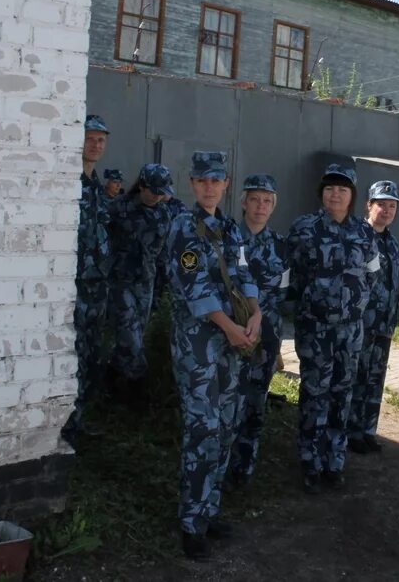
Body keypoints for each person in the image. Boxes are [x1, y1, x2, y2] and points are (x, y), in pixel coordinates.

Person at [166, 151, 261, 560]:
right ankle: (191, 523)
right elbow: (196, 291)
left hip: (232, 345)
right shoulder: (183, 228)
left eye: (216, 180)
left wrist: (255, 313)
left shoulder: (229, 228)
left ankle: (210, 509)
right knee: (202, 429)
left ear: (226, 185)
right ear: (193, 184)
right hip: (199, 347)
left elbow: (244, 274)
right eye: (202, 181)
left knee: (224, 427)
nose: (209, 187)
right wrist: (232, 328)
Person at [287, 164, 379, 493]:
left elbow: (372, 272)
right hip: (315, 330)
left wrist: (355, 305)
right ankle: (310, 462)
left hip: (350, 331)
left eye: (342, 189)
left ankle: (334, 462)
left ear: (352, 195)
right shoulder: (303, 228)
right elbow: (291, 276)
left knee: (342, 395)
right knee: (314, 394)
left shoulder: (364, 232)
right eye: (329, 188)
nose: (335, 194)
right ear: (321, 193)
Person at [228, 174, 290, 488]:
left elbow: (283, 292)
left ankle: (244, 469)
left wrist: (270, 335)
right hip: (230, 334)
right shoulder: (227, 237)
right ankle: (221, 468)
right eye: (254, 199)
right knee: (229, 400)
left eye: (267, 201)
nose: (260, 206)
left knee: (255, 402)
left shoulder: (281, 246)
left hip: (266, 335)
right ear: (243, 202)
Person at [62, 115, 112, 445]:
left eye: (100, 140)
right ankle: (67, 425)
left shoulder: (96, 186)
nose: (95, 145)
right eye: (90, 138)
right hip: (73, 283)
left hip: (97, 284)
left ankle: (79, 420)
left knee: (91, 354)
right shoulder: (68, 181)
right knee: (72, 354)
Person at [108, 163, 174, 404]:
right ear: (142, 186)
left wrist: (163, 286)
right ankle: (139, 392)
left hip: (146, 283)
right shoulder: (118, 208)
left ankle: (112, 378)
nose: (158, 196)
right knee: (130, 336)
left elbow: (163, 253)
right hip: (120, 281)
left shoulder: (164, 213)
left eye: (162, 192)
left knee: (134, 335)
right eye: (154, 191)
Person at [348, 180, 399, 455]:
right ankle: (352, 432)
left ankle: (368, 430)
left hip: (384, 323)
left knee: (375, 379)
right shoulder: (357, 236)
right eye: (382, 204)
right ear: (369, 205)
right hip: (361, 322)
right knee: (357, 377)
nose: (387, 210)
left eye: (392, 205)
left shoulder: (391, 242)